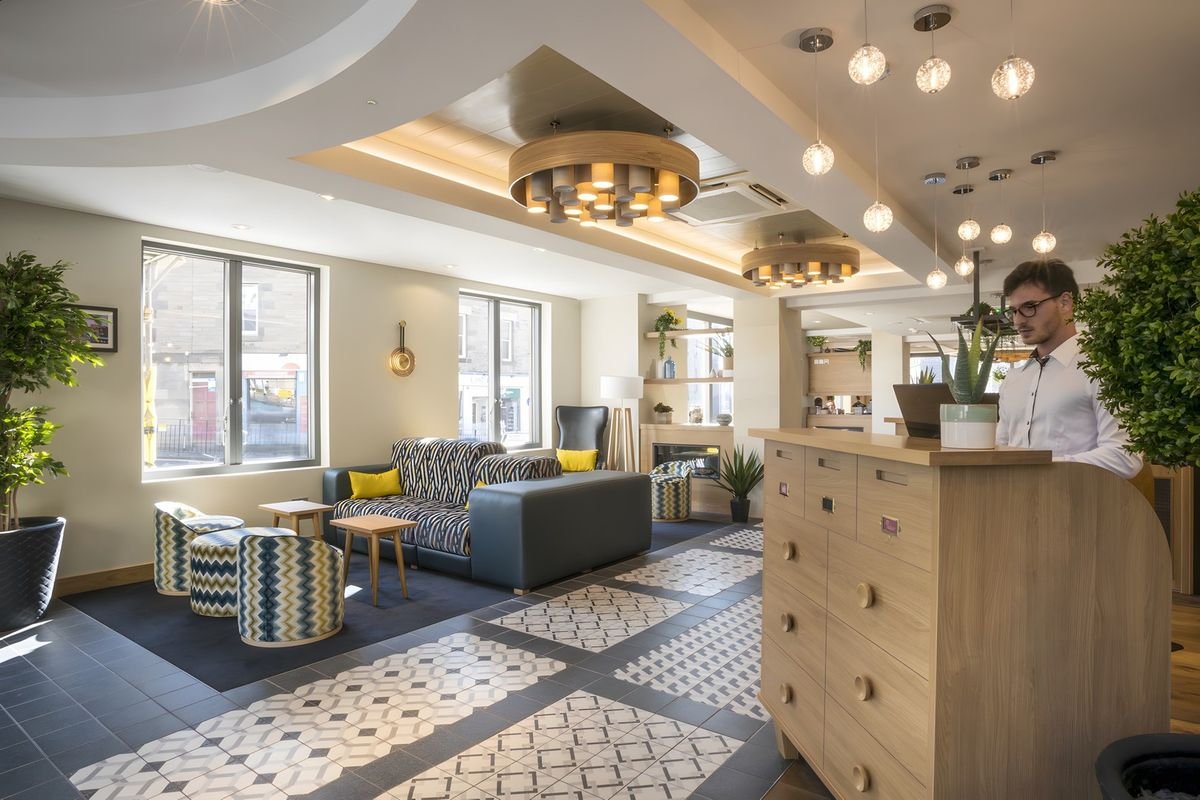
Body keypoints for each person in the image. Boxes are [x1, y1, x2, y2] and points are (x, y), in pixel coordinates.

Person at [996, 258, 1142, 479]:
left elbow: (1124, 455)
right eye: (1014, 311)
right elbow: (1001, 449)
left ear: (1064, 303)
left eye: (1029, 307)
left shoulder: (1103, 368)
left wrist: (1040, 467)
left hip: (1077, 498)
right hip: (1014, 498)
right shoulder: (1013, 379)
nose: (1018, 321)